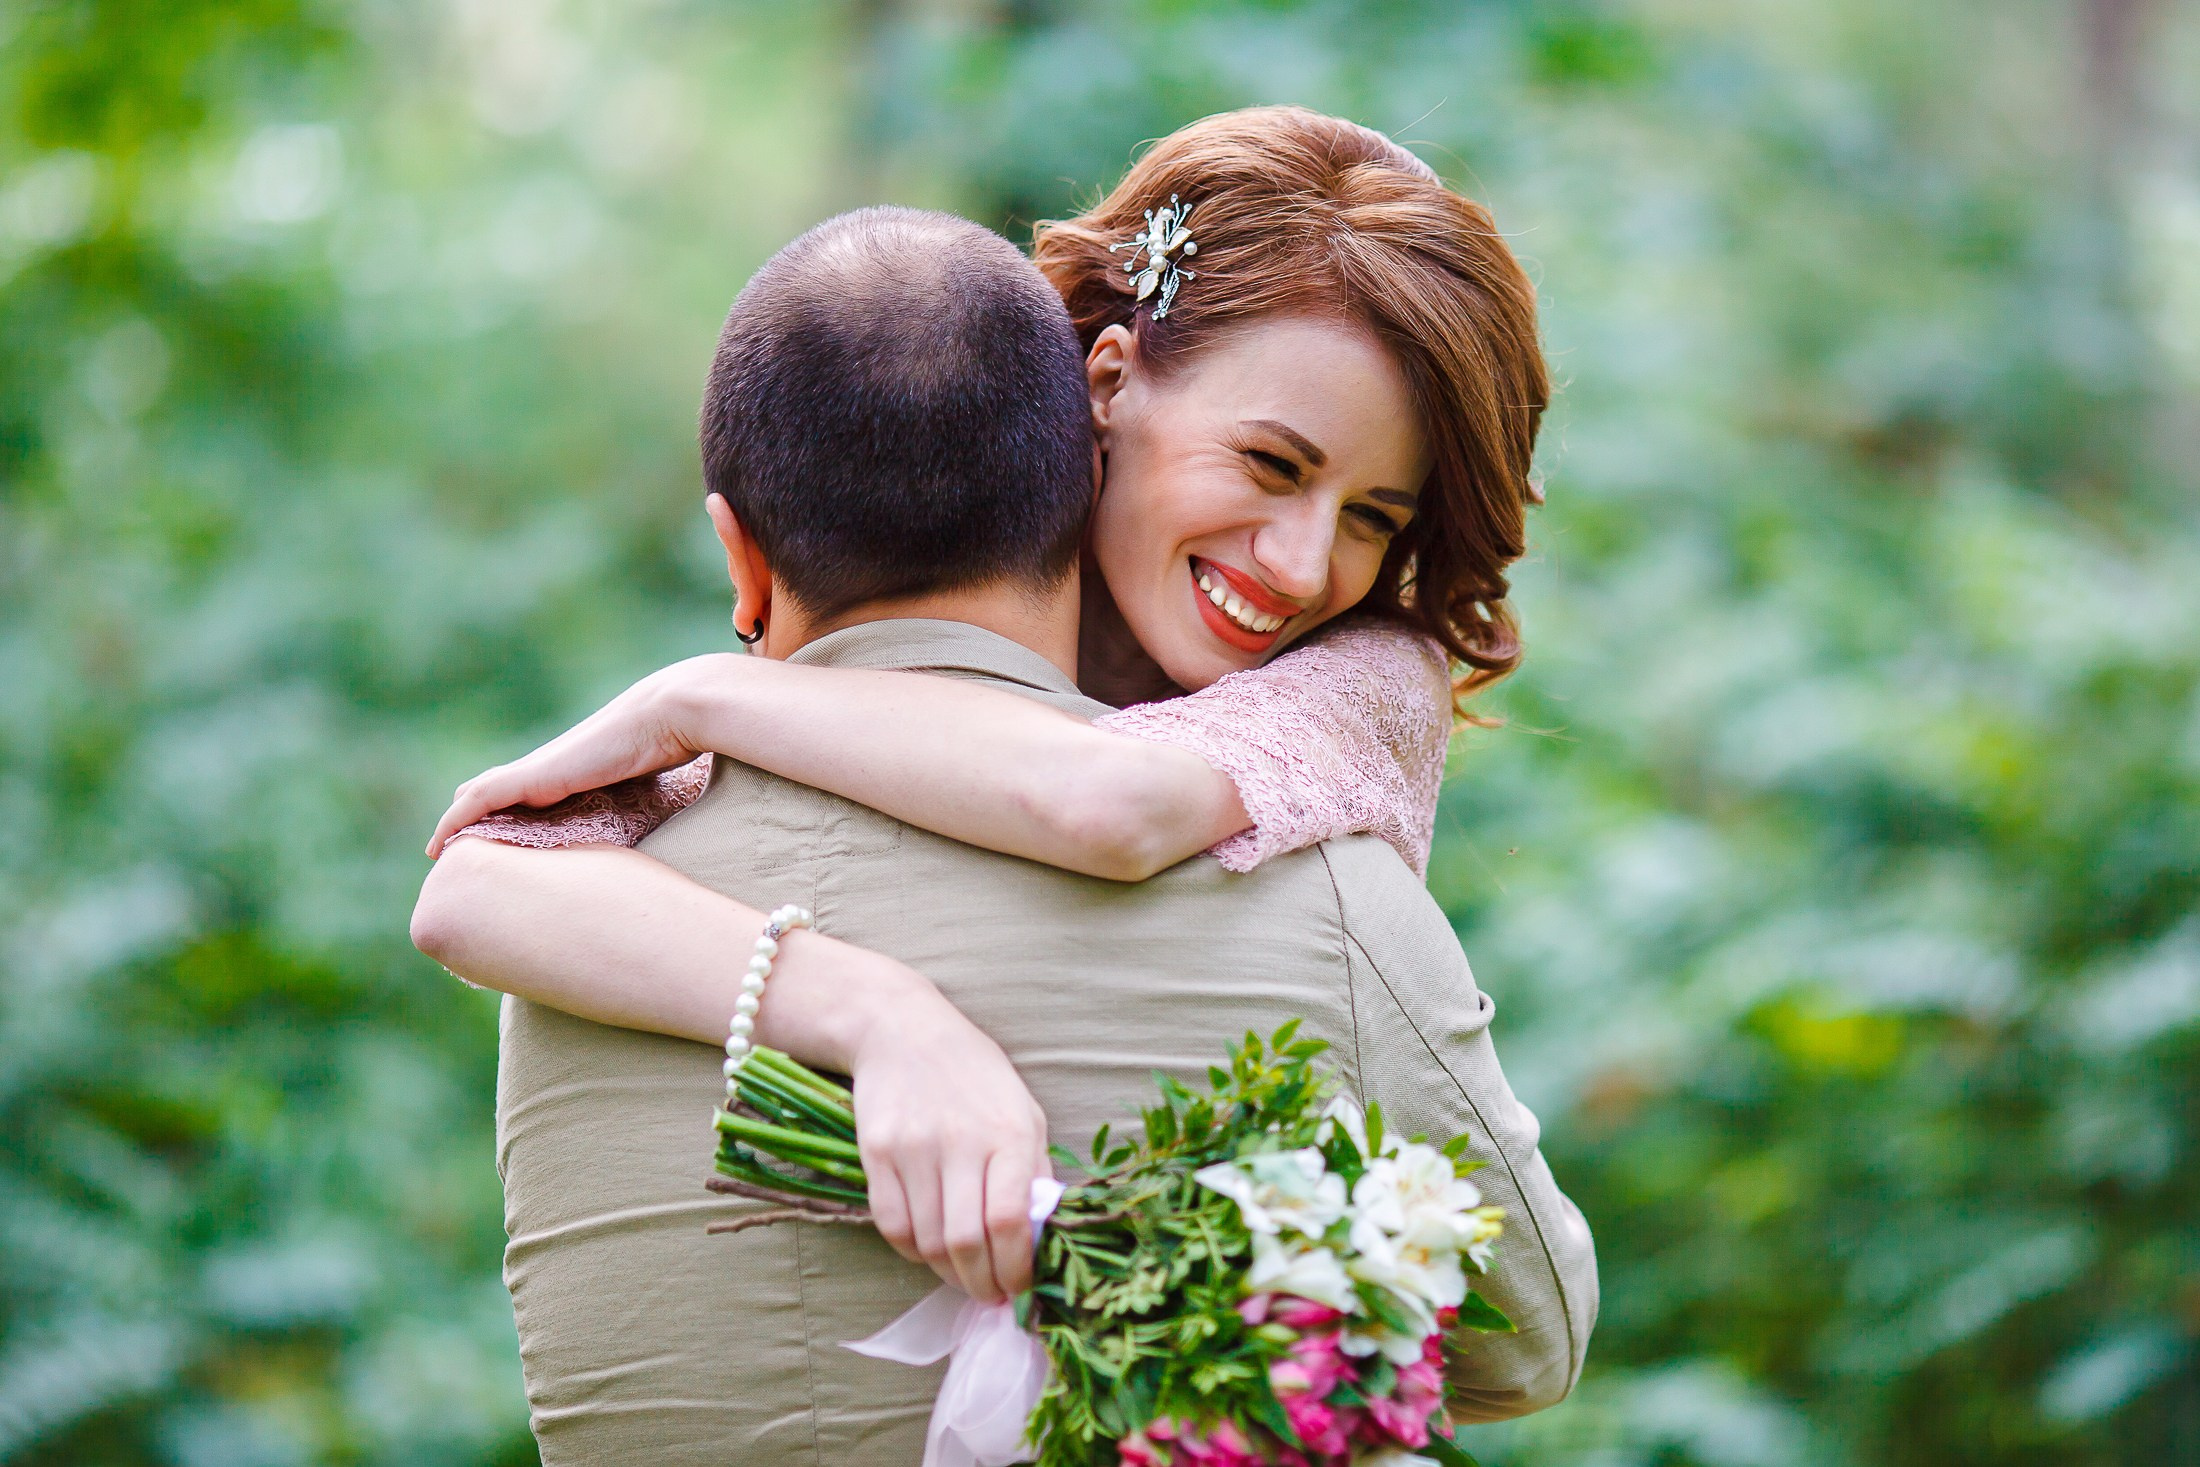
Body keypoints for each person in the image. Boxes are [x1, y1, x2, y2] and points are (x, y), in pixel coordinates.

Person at [415, 126, 1594, 1466]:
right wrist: (872, 1014)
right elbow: (474, 880)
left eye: (1378, 516)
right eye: (1272, 465)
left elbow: (1114, 806)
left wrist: (709, 696)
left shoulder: (1357, 687)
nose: (1307, 561)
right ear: (1104, 387)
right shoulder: (861, 658)